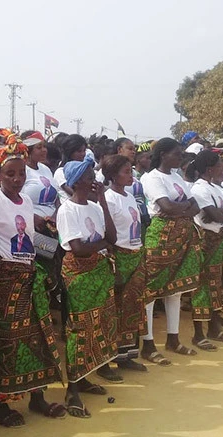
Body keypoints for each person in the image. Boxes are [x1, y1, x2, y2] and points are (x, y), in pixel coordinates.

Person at [0, 132, 65, 428]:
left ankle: (37, 398)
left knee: (36, 338)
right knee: (3, 344)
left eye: (21, 172)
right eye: (10, 173)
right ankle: (2, 405)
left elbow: (26, 238)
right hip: (1, 283)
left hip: (27, 279)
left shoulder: (24, 202)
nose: (17, 178)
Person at [56, 155, 119, 418]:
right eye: (88, 176)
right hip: (80, 275)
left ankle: (83, 377)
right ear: (76, 181)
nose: (94, 180)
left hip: (99, 273)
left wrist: (102, 200)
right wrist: (103, 245)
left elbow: (112, 237)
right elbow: (79, 249)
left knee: (97, 325)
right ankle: (72, 389)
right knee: (79, 329)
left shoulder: (94, 207)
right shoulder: (66, 210)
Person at [140, 138, 201, 364]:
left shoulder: (177, 178)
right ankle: (147, 343)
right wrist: (183, 208)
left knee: (175, 289)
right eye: (177, 154)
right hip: (161, 237)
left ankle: (173, 339)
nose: (180, 157)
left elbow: (195, 206)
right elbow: (165, 207)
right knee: (151, 290)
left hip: (182, 235)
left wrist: (179, 210)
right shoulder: (151, 178)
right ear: (163, 154)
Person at [190, 150, 223, 348]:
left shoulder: (216, 188)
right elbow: (215, 215)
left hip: (221, 239)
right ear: (210, 169)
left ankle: (214, 328)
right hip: (207, 242)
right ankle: (198, 334)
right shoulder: (199, 189)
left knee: (217, 286)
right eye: (220, 165)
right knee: (203, 287)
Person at [102, 155, 147, 372]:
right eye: (126, 172)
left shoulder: (129, 196)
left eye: (131, 171)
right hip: (119, 257)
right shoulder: (108, 199)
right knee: (116, 308)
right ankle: (111, 356)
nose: (131, 175)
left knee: (132, 307)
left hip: (135, 255)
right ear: (112, 176)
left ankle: (127, 355)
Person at [54, 134, 87, 201]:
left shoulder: (85, 170)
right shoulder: (61, 172)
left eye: (84, 150)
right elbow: (75, 193)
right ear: (69, 152)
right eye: (79, 151)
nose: (83, 154)